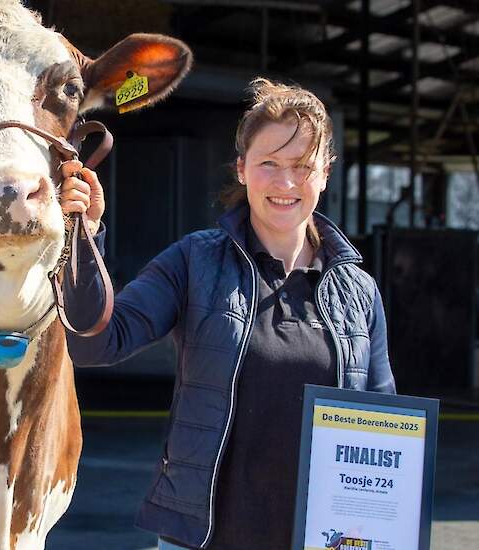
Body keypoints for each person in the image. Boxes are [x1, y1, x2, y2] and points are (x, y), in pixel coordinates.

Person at [58, 78, 396, 550]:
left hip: (324, 540)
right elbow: (95, 342)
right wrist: (85, 239)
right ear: (241, 169)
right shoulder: (195, 261)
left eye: (302, 166)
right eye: (269, 164)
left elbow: (385, 431)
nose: (285, 182)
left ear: (325, 173)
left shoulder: (359, 292)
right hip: (202, 538)